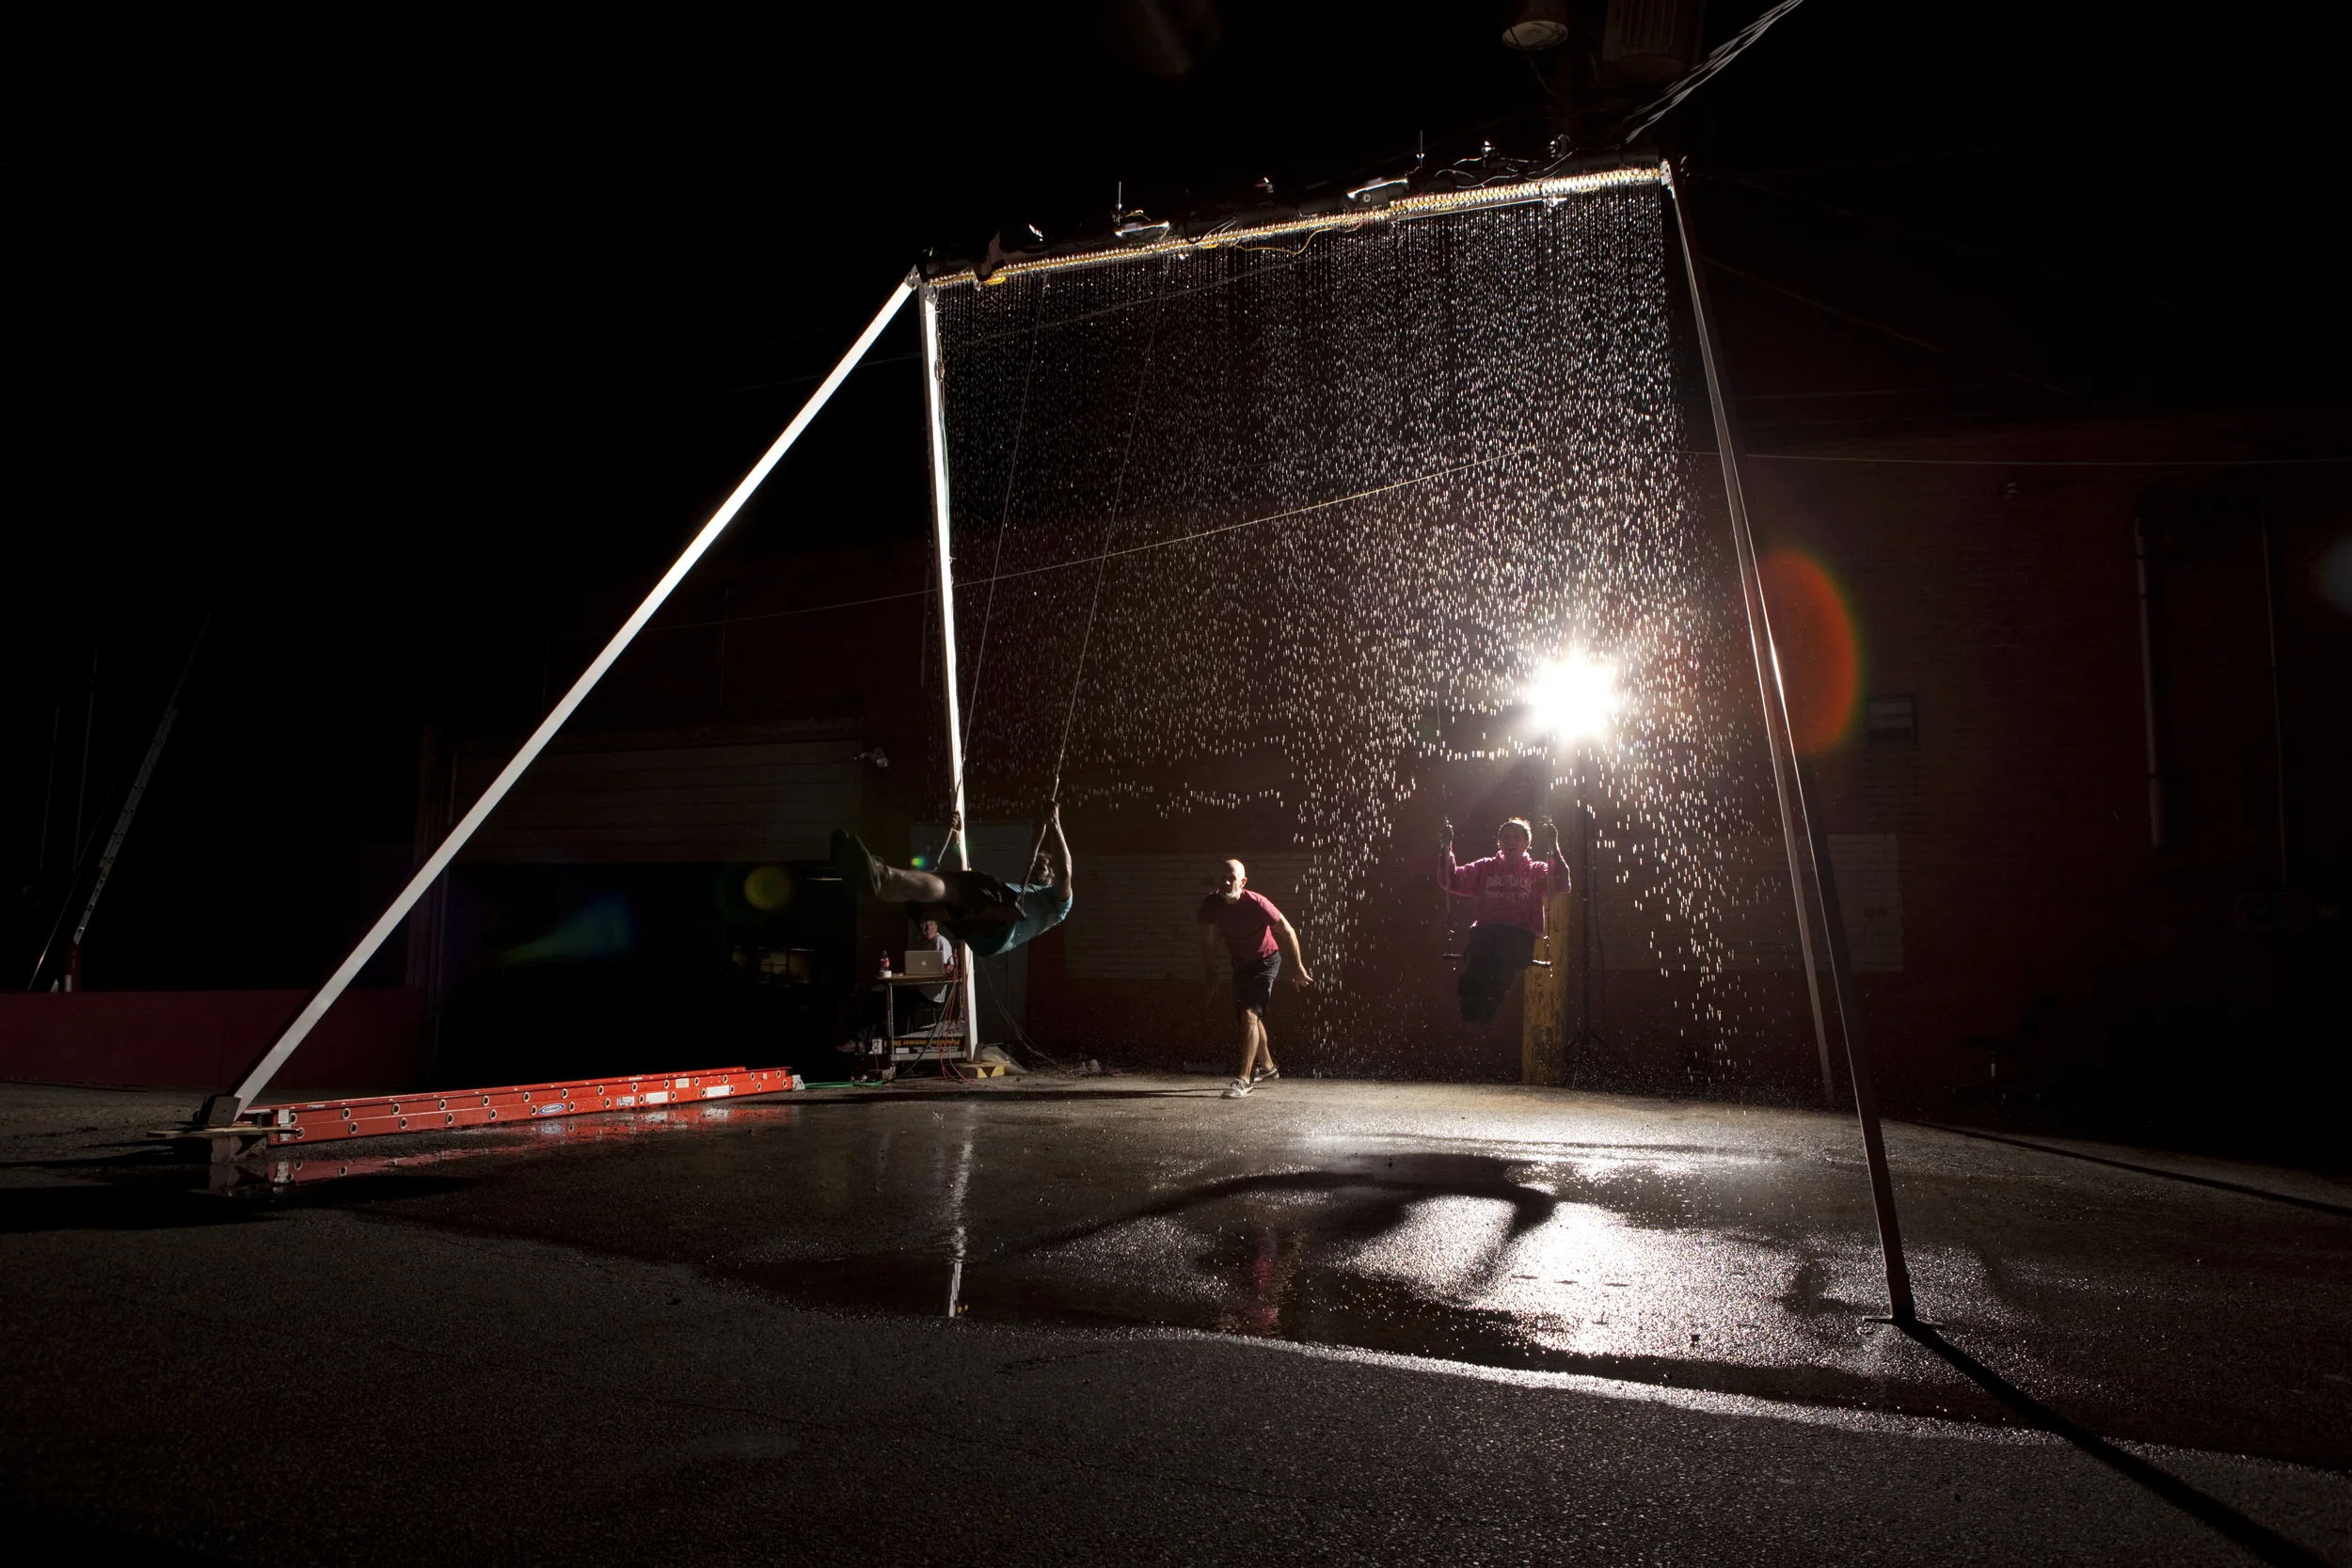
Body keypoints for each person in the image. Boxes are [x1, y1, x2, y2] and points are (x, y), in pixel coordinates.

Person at [831, 807, 1073, 959]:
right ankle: (872, 883)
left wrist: (1055, 824)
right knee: (936, 895)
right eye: (1033, 866)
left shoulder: (1058, 903)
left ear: (1051, 876)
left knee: (954, 886)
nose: (1033, 871)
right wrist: (959, 836)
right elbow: (966, 880)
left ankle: (881, 873)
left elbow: (1064, 876)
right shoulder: (1019, 892)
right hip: (984, 939)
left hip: (1002, 927)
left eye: (1040, 868)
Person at [1198, 859, 1314, 1100]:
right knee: (1249, 1017)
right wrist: (1211, 979)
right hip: (1241, 964)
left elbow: (1288, 931)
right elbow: (1208, 943)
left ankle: (1244, 1079)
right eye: (1223, 877)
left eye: (1232, 878)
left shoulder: (1257, 903)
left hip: (1266, 961)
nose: (1226, 882)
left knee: (1250, 1015)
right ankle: (1269, 1067)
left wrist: (1297, 967)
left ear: (1243, 882)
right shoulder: (1211, 903)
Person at [1438, 816, 1567, 1025]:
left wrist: (1553, 847)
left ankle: (1489, 1004)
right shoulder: (1485, 867)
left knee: (1503, 966)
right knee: (1477, 966)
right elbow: (1451, 880)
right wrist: (1446, 848)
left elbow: (1560, 884)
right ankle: (1469, 1005)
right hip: (1486, 930)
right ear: (1499, 843)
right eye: (1506, 837)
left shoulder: (1536, 870)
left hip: (1520, 933)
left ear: (1527, 843)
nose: (1510, 841)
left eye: (1516, 837)